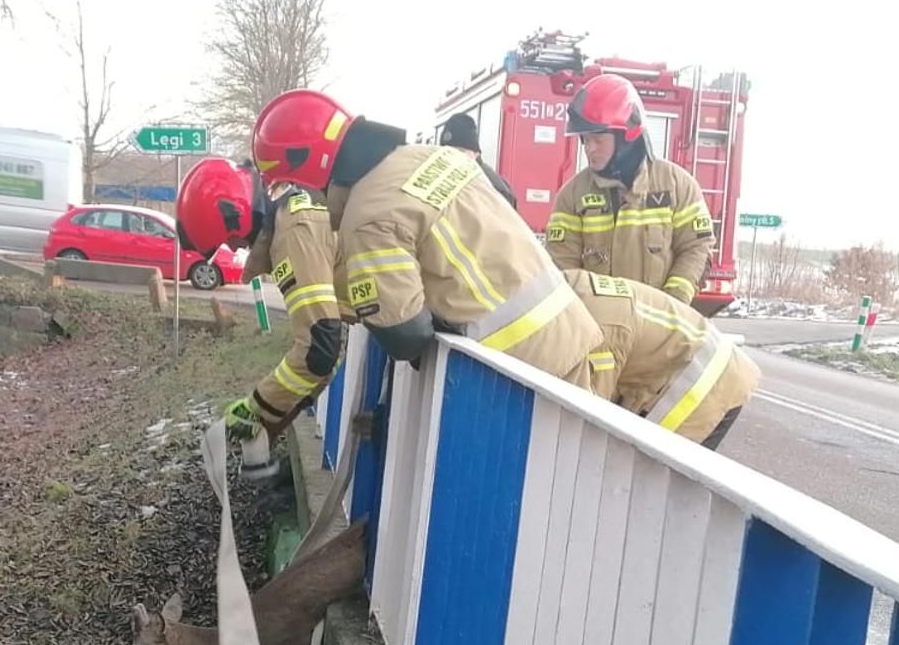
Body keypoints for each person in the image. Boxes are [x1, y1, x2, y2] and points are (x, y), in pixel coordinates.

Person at [251, 89, 603, 387]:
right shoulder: (433, 157)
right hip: (577, 335)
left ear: (310, 168)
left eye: (289, 183)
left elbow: (405, 335)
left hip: (524, 373)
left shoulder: (367, 217)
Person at [175, 157, 343, 431]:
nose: (234, 248)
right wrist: (285, 410)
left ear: (234, 221)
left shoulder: (292, 237)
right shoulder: (292, 214)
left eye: (229, 241)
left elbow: (320, 346)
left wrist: (256, 409)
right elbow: (328, 348)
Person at [545, 74, 713, 304]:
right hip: (598, 330)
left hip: (659, 330)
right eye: (585, 140)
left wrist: (673, 306)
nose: (589, 148)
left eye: (598, 140)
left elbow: (696, 248)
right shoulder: (572, 196)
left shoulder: (677, 186)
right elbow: (562, 267)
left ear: (627, 136)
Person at [565, 269, 756, 449]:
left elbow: (587, 417)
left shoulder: (598, 329)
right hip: (703, 365)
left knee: (646, 467)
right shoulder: (574, 288)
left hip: (709, 381)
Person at [438, 113, 517, 208]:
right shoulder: (448, 179)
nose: (454, 157)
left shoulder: (493, 188)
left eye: (460, 151)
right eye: (448, 152)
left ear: (476, 152)